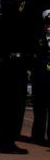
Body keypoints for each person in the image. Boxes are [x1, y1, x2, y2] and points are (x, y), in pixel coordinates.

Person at [0, 0, 35, 154]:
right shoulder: (23, 21)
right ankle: (7, 140)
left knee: (2, 104)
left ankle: (0, 139)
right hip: (15, 66)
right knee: (13, 105)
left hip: (4, 66)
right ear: (20, 4)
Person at [31, 9, 50, 145]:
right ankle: (38, 135)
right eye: (47, 23)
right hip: (40, 76)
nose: (48, 27)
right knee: (40, 108)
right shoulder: (37, 39)